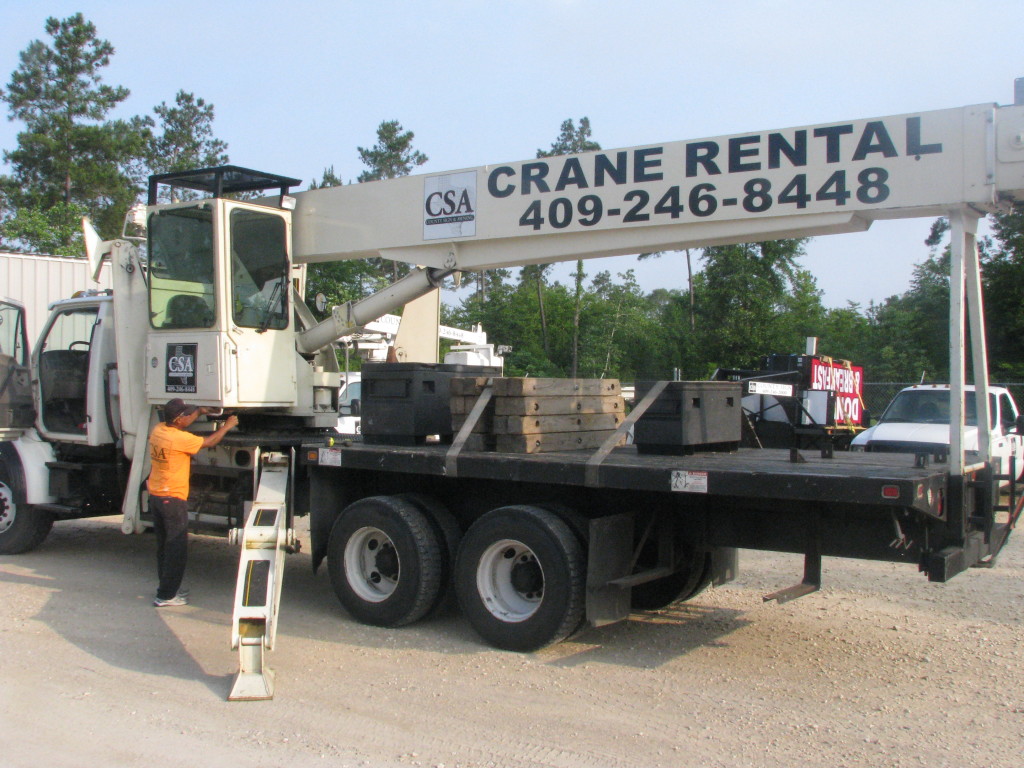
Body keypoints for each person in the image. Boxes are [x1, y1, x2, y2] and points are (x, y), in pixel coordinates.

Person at [148, 398, 238, 607]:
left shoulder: (159, 430)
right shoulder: (179, 439)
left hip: (157, 496)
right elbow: (209, 442)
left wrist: (200, 411)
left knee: (164, 546)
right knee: (176, 548)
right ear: (179, 419)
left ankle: (165, 588)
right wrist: (227, 425)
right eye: (188, 414)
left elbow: (184, 420)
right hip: (172, 498)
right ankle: (166, 596)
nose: (191, 416)